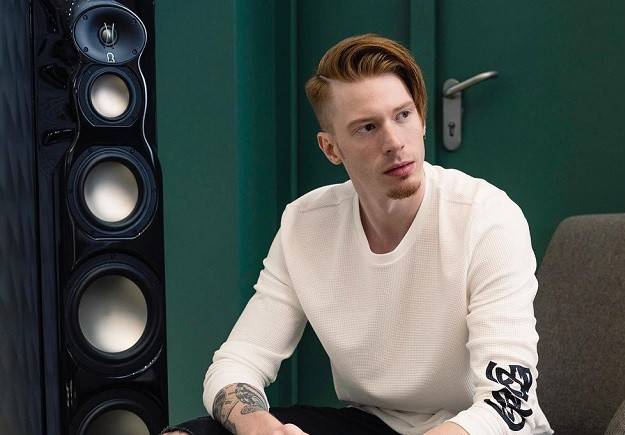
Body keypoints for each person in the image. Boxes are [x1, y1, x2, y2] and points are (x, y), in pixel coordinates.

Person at [163, 34, 553, 435]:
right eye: (367, 128)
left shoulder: (487, 217)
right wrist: (263, 429)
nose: (394, 142)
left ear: (421, 119)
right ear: (331, 149)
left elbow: (509, 402)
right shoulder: (306, 224)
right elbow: (237, 362)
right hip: (371, 424)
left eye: (403, 115)